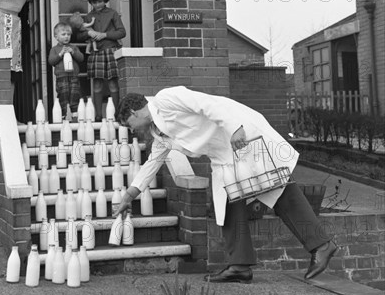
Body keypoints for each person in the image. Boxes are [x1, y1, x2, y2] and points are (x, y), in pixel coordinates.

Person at [114, 86, 337, 283]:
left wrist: (235, 128)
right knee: (228, 204)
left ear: (133, 112)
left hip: (242, 137)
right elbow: (152, 163)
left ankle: (321, 246)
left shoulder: (166, 99)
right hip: (223, 157)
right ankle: (240, 266)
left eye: (129, 125)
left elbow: (208, 105)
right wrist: (129, 196)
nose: (133, 130)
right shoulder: (158, 134)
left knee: (279, 188)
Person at [77, 0, 126, 120]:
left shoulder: (112, 13)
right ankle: (98, 116)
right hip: (96, 53)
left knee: (113, 84)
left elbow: (122, 32)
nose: (97, 4)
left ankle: (117, 115)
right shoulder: (88, 16)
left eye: (100, 1)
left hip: (111, 51)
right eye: (94, 2)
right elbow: (80, 35)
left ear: (105, 0)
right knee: (97, 84)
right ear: (90, 2)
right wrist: (89, 34)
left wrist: (104, 35)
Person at [48, 22, 84, 121]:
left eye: (68, 34)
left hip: (74, 77)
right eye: (63, 34)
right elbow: (51, 61)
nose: (66, 37)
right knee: (63, 97)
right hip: (61, 77)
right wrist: (60, 54)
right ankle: (62, 117)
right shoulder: (54, 49)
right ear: (56, 36)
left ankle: (75, 117)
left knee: (74, 96)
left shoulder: (73, 47)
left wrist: (73, 52)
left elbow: (81, 58)